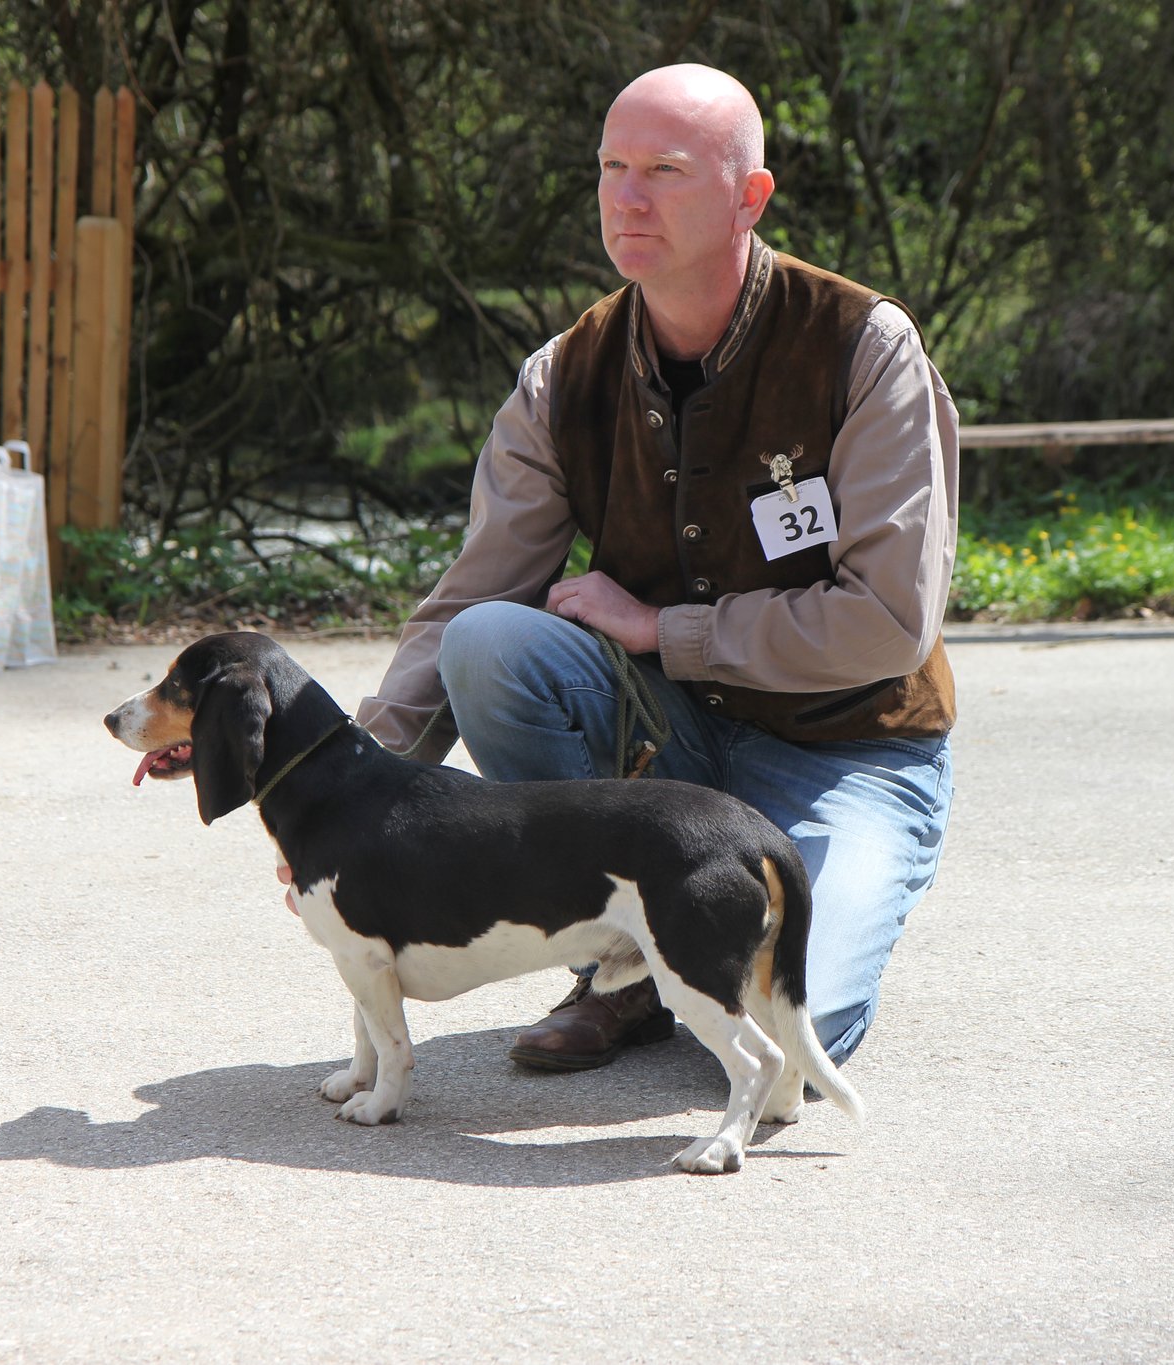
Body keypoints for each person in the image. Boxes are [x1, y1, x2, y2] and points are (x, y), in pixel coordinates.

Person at [354, 62, 958, 1073]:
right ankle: (624, 962)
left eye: (665, 171)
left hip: (846, 749)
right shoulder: (562, 376)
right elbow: (473, 597)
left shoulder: (861, 346)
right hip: (659, 747)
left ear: (748, 196)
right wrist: (352, 785)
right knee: (491, 645)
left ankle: (693, 947)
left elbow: (890, 622)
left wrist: (663, 630)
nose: (628, 199)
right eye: (612, 168)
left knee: (789, 1034)